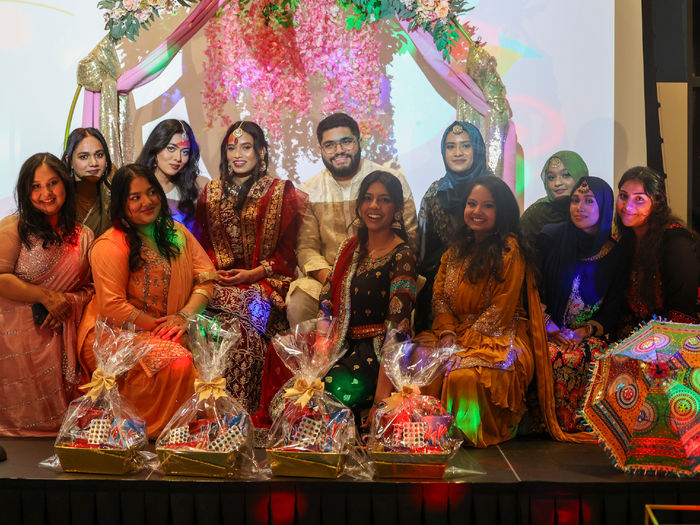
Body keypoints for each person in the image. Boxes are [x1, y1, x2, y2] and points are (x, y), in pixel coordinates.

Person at [77, 164, 216, 437]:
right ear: (121, 203)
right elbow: (113, 307)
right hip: (114, 334)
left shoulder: (175, 232)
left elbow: (207, 278)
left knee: (213, 345)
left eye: (151, 192)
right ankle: (159, 429)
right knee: (178, 361)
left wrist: (184, 317)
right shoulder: (111, 244)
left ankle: (189, 427)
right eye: (135, 197)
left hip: (171, 327)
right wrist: (161, 330)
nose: (147, 202)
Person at [416, 176, 549, 447]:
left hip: (498, 335)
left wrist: (462, 344)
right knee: (420, 360)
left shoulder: (509, 249)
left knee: (462, 375)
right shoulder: (455, 249)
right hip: (455, 333)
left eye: (487, 206)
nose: (477, 212)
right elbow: (439, 295)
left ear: (501, 212)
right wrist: (448, 333)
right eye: (472, 204)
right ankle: (424, 434)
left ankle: (461, 436)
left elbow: (501, 307)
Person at [193, 121, 306, 413]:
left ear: (261, 152)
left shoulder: (281, 192)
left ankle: (241, 413)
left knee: (243, 329)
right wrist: (213, 273)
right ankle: (208, 411)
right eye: (231, 148)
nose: (237, 154)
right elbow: (202, 246)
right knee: (207, 327)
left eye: (246, 147)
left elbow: (287, 254)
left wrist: (253, 274)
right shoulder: (210, 193)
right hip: (218, 283)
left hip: (264, 284)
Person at [285, 112, 419, 327]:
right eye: (329, 145)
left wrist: (373, 274)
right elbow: (306, 247)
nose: (338, 151)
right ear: (320, 150)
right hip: (328, 278)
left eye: (346, 142)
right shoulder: (310, 190)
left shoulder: (390, 180)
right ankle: (316, 361)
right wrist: (331, 277)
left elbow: (408, 236)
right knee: (299, 302)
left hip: (382, 275)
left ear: (359, 142)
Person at [0, 153, 94, 436]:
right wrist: (46, 296)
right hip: (17, 340)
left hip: (63, 332)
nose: (45, 194)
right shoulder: (13, 228)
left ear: (65, 183)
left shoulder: (85, 235)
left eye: (52, 183)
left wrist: (66, 302)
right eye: (35, 186)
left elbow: (91, 288)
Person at [319, 171, 417, 426]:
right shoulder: (349, 249)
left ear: (396, 209)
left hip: (376, 356)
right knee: (294, 395)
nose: (374, 206)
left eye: (383, 200)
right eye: (368, 198)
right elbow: (326, 302)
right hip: (339, 348)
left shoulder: (402, 255)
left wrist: (380, 399)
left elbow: (398, 329)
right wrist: (318, 354)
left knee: (330, 395)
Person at [536, 176, 628, 432]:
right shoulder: (551, 239)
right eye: (575, 200)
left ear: (604, 207)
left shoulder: (616, 254)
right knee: (550, 355)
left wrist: (582, 332)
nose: (579, 207)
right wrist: (550, 326)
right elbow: (531, 288)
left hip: (587, 333)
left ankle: (581, 424)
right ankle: (544, 423)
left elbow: (612, 307)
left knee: (590, 356)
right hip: (545, 328)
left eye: (589, 201)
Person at [416, 121, 491, 333]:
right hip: (438, 293)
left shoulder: (494, 190)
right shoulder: (434, 193)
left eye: (465, 145)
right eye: (450, 146)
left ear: (477, 149)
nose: (457, 152)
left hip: (485, 288)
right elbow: (422, 251)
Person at [614, 166, 700, 336]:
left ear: (657, 203)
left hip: (678, 337)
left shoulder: (676, 243)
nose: (627, 206)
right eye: (623, 196)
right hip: (641, 334)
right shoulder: (625, 241)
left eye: (639, 199)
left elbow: (682, 312)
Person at [135, 119, 207, 230]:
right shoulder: (135, 184)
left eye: (185, 152)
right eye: (171, 148)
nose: (178, 158)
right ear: (156, 148)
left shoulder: (191, 190)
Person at [519, 151, 588, 241]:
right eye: (551, 177)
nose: (557, 183)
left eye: (566, 175)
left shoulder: (591, 209)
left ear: (580, 176)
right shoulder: (535, 215)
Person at [62, 127, 113, 237]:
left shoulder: (113, 195)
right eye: (84, 157)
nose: (94, 163)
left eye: (99, 155)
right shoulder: (60, 198)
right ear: (69, 161)